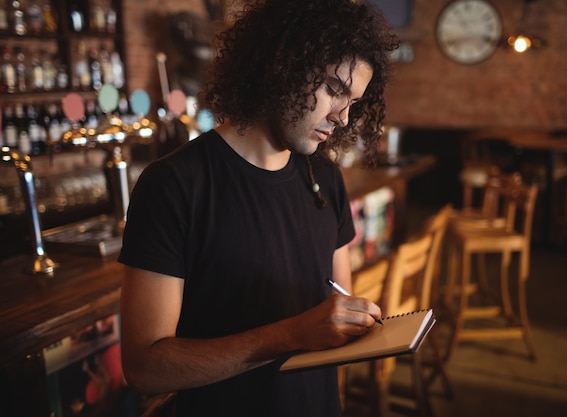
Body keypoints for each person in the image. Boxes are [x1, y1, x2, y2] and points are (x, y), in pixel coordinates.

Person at [118, 0, 398, 416]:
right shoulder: (175, 185)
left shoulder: (326, 179)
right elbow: (144, 369)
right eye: (334, 90)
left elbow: (335, 314)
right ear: (281, 65)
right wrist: (290, 334)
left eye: (354, 101)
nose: (342, 117)